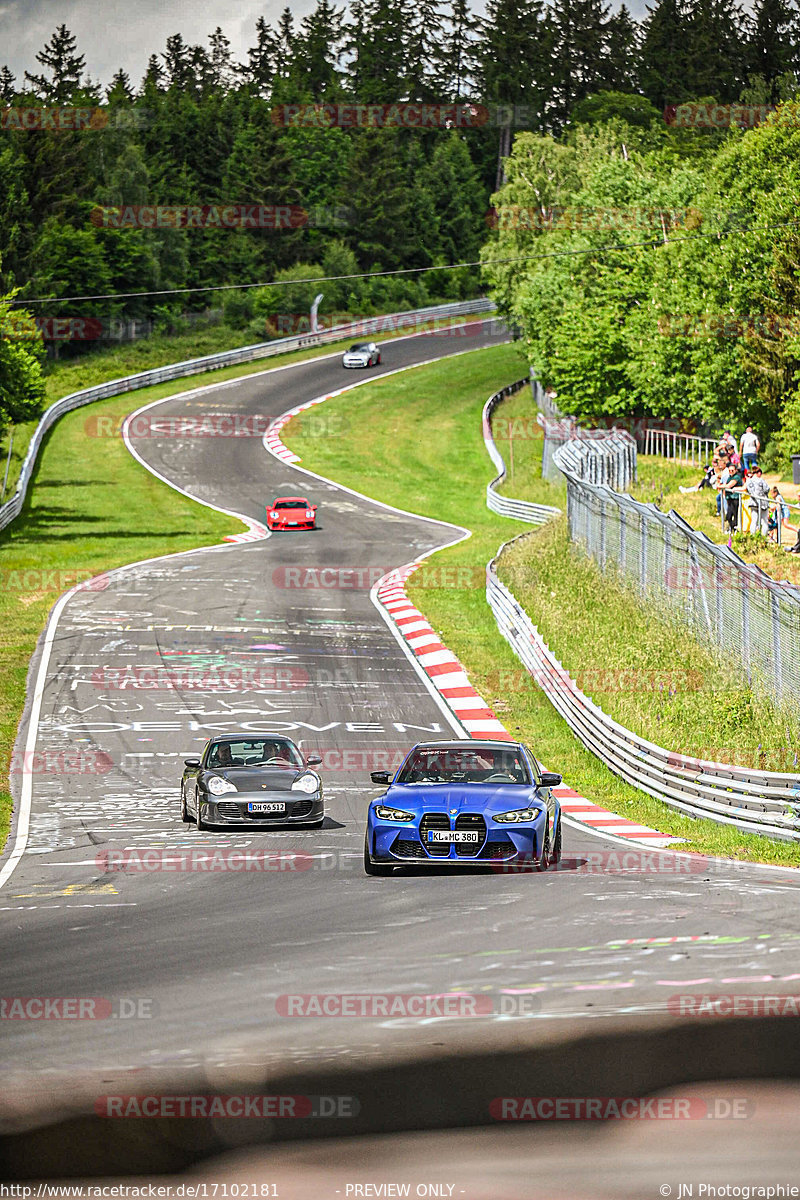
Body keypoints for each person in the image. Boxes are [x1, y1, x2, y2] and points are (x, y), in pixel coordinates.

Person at [745, 466, 770, 535]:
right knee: (764, 521)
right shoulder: (761, 480)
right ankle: (763, 536)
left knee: (754, 520)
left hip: (753, 503)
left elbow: (749, 491)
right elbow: (767, 489)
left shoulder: (749, 481)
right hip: (763, 503)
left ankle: (753, 535)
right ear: (758, 473)